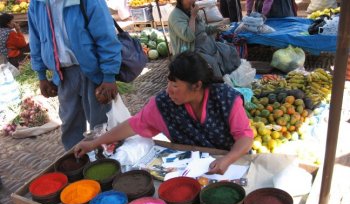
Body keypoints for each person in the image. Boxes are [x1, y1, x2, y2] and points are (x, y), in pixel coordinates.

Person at [75, 51, 253, 174]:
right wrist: (94, 143)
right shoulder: (164, 104)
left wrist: (227, 159)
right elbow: (133, 125)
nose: (169, 90)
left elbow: (245, 138)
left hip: (233, 165)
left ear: (197, 85)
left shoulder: (226, 99)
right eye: (168, 83)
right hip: (192, 169)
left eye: (175, 85)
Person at [28, 0, 122, 150]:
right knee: (69, 124)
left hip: (92, 73)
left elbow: (106, 36)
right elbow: (36, 40)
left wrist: (109, 76)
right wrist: (41, 75)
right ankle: (77, 161)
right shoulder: (37, 4)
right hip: (62, 74)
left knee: (101, 124)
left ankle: (106, 158)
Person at [168, 0, 241, 78]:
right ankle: (218, 85)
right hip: (190, 51)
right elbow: (189, 36)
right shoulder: (175, 16)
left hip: (206, 45)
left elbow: (205, 29)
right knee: (212, 62)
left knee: (229, 50)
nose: (193, 1)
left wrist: (223, 27)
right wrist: (193, 17)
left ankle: (233, 79)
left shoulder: (192, 10)